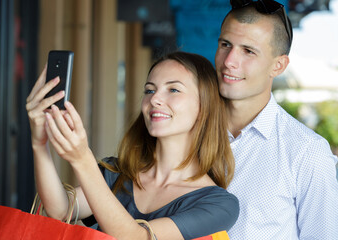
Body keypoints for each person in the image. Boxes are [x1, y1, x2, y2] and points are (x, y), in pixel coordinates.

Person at [26, 51, 239, 240]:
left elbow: (135, 238)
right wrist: (39, 143)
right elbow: (60, 212)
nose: (155, 99)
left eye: (173, 90)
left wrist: (83, 160)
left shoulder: (219, 204)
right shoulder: (116, 173)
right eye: (149, 90)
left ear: (205, 106)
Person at [214, 0, 338, 239]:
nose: (229, 61)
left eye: (248, 51)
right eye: (225, 44)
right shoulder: (187, 127)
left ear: (278, 65)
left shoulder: (307, 152)